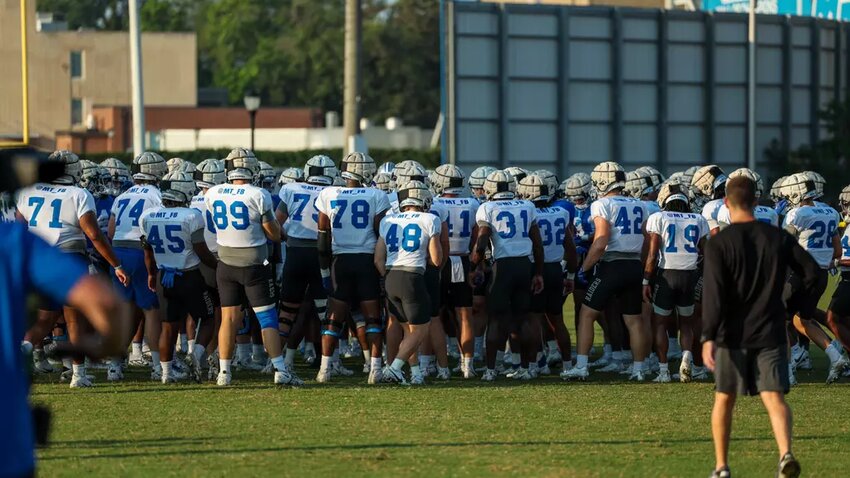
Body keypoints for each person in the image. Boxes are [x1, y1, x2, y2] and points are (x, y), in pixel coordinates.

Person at [701, 176, 817, 478]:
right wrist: (789, 300)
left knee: (724, 398)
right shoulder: (777, 237)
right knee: (774, 396)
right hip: (771, 329)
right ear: (756, 201)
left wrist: (707, 337)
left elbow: (713, 294)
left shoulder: (719, 243)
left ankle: (722, 466)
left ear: (726, 204)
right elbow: (811, 271)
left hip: (731, 333)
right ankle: (785, 453)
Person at [16, 150, 130, 386]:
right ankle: (78, 375)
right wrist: (116, 264)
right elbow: (94, 235)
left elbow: (19, 230)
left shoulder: (29, 192)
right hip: (69, 258)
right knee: (74, 320)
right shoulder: (79, 193)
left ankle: (20, 356)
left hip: (39, 259)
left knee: (44, 320)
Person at [204, 148, 295, 386]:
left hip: (225, 264)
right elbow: (273, 234)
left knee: (229, 319)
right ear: (252, 168)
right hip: (255, 264)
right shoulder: (259, 194)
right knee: (267, 319)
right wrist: (280, 232)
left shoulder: (213, 192)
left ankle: (224, 372)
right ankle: (280, 369)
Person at [564, 162, 650, 381]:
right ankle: (639, 369)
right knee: (634, 320)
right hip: (634, 266)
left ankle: (581, 366)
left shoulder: (602, 203)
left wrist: (584, 268)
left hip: (612, 264)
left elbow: (601, 241)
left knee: (587, 314)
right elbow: (647, 241)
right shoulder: (639, 204)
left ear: (603, 180)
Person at [315, 152, 391, 384]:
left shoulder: (329, 194)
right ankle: (375, 369)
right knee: (373, 318)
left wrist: (325, 270)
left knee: (333, 319)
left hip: (340, 261)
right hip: (366, 260)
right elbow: (382, 233)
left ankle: (324, 369)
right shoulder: (377, 194)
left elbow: (322, 235)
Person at [140, 172, 217, 383]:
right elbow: (202, 252)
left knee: (168, 326)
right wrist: (218, 267)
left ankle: (165, 373)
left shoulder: (148, 216)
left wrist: (151, 274)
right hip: (189, 276)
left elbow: (147, 252)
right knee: (209, 318)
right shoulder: (191, 216)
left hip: (164, 277)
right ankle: (196, 355)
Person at [472, 169, 544, 381]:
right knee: (524, 319)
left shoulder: (487, 207)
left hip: (502, 268)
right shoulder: (527, 206)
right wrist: (538, 272)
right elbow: (537, 245)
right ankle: (527, 368)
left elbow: (482, 241)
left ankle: (491, 370)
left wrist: (475, 266)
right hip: (524, 265)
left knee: (496, 320)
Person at [108, 152, 169, 379]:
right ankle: (156, 366)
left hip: (118, 252)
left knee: (124, 310)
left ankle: (115, 365)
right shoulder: (156, 195)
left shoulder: (121, 196)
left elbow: (111, 232)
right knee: (151, 311)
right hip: (142, 251)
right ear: (154, 171)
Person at [376, 180, 443, 385]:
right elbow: (436, 259)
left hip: (390, 276)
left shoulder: (388, 221)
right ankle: (394, 369)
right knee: (421, 329)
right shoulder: (430, 219)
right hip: (412, 277)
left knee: (408, 330)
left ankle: (415, 373)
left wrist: (388, 277)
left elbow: (378, 259)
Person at [643, 181, 709, 382]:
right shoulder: (698, 218)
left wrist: (646, 280)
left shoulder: (658, 217)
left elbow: (653, 254)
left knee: (660, 323)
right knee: (687, 324)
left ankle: (663, 371)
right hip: (689, 275)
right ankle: (686, 359)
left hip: (667, 275)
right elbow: (705, 251)